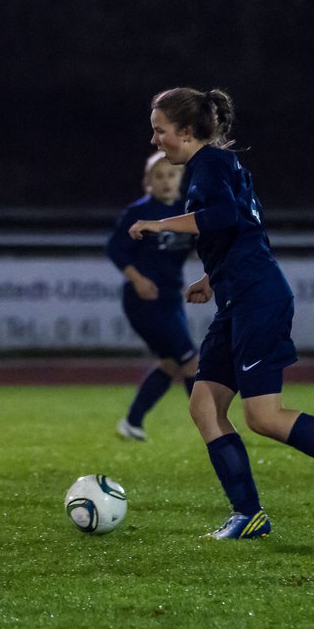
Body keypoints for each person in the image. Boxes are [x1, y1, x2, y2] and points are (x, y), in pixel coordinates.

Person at [129, 87, 314, 538]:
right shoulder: (220, 165)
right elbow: (248, 231)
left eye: (160, 131)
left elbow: (224, 217)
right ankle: (247, 514)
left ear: (187, 132)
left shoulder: (208, 165)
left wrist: (159, 223)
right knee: (204, 407)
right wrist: (212, 278)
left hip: (257, 299)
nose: (155, 140)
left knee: (263, 417)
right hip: (239, 297)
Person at [106, 152, 198, 441]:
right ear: (149, 182)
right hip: (144, 300)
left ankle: (132, 423)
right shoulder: (139, 212)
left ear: (180, 178)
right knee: (191, 362)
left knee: (172, 363)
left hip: (170, 298)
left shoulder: (186, 211)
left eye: (171, 175)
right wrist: (138, 280)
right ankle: (215, 428)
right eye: (159, 176)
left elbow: (202, 241)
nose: (166, 181)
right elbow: (116, 249)